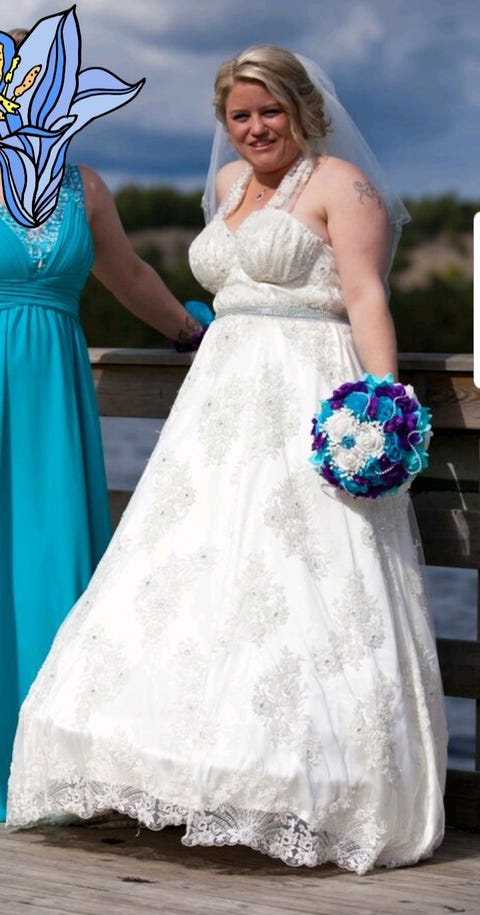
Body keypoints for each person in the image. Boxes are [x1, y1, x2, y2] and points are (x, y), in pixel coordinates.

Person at [6, 45, 447, 875]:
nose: (255, 128)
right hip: (217, 407)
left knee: (300, 578)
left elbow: (365, 295)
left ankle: (313, 785)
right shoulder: (226, 185)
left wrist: (380, 402)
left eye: (269, 110)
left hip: (305, 391)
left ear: (302, 108)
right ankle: (182, 771)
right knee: (192, 572)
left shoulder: (344, 185)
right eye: (239, 115)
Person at [0, 29, 203, 824]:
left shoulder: (83, 187)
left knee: (50, 556)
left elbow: (131, 274)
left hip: (51, 397)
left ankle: (45, 769)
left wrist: (193, 333)